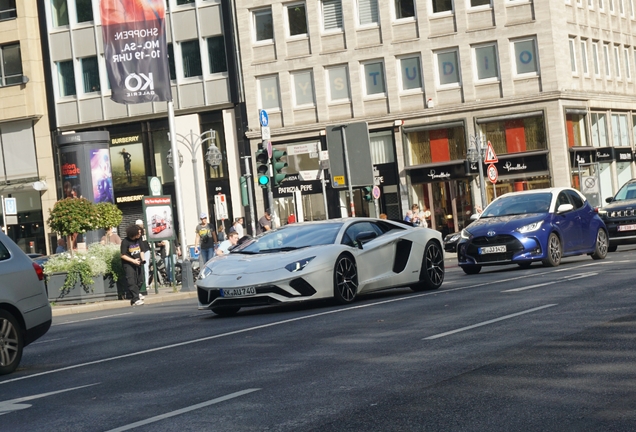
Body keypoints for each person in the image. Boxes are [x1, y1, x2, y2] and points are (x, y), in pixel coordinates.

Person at [121, 224, 145, 306]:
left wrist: (143, 259)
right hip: (128, 264)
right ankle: (135, 299)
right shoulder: (125, 242)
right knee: (131, 281)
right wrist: (133, 261)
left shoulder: (139, 240)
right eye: (138, 233)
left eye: (140, 233)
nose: (139, 234)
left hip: (138, 262)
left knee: (140, 279)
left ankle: (136, 294)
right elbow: (123, 255)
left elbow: (142, 250)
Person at [135, 219, 150, 287]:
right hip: (139, 250)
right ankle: (141, 282)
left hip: (146, 250)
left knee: (145, 265)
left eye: (141, 225)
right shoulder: (136, 233)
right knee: (140, 266)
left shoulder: (145, 232)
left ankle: (146, 282)